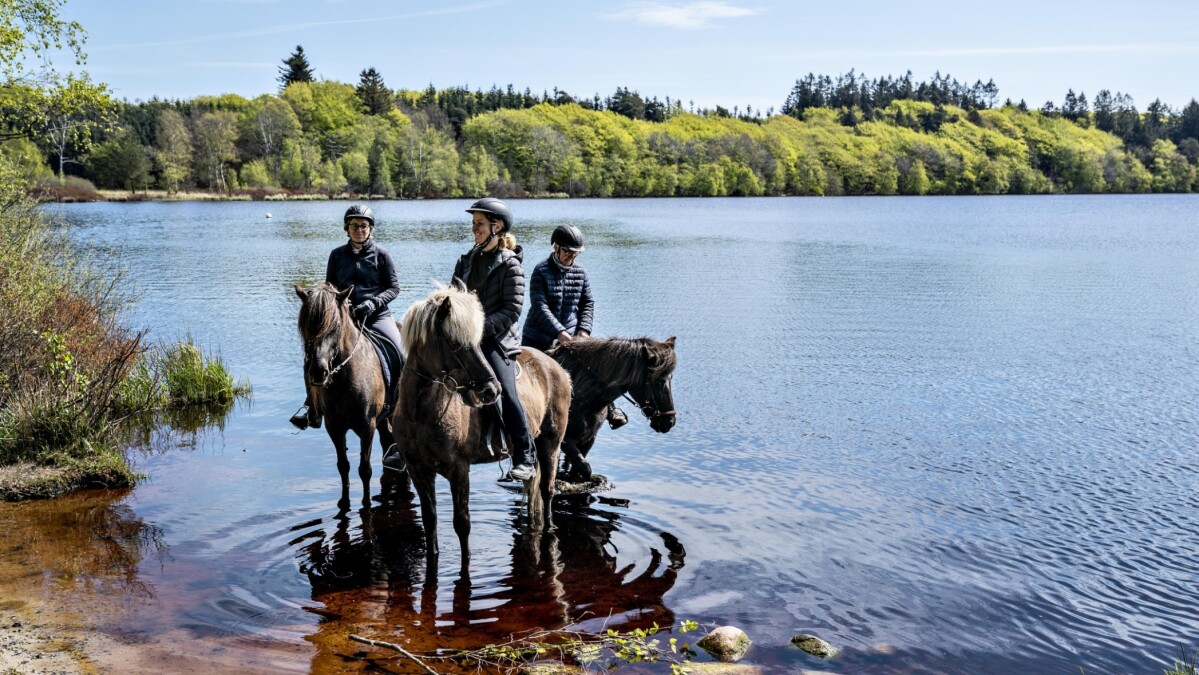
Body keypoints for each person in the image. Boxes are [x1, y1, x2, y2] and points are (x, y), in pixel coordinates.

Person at [290, 204, 402, 430]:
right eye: (354, 226)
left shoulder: (382, 255)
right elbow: (330, 287)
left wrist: (373, 303)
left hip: (377, 316)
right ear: (346, 228)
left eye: (363, 225)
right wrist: (336, 304)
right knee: (314, 353)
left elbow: (394, 288)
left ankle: (396, 403)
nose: (359, 229)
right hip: (343, 318)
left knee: (399, 351)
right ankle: (312, 405)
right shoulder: (337, 255)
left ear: (370, 229)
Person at [451, 197, 538, 481]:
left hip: (497, 340)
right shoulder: (465, 260)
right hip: (464, 338)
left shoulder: (511, 265)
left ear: (496, 227)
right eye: (473, 223)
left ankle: (525, 456)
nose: (474, 228)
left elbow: (512, 311)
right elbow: (454, 299)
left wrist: (478, 329)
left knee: (505, 389)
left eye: (479, 223)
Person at [521, 224, 627, 429]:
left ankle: (611, 409)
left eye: (576, 253)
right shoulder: (540, 271)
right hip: (538, 338)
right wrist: (559, 332)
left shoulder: (581, 273)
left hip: (573, 337)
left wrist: (583, 331)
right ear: (556, 247)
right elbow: (540, 306)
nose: (572, 257)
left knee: (596, 369)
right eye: (568, 252)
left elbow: (588, 303)